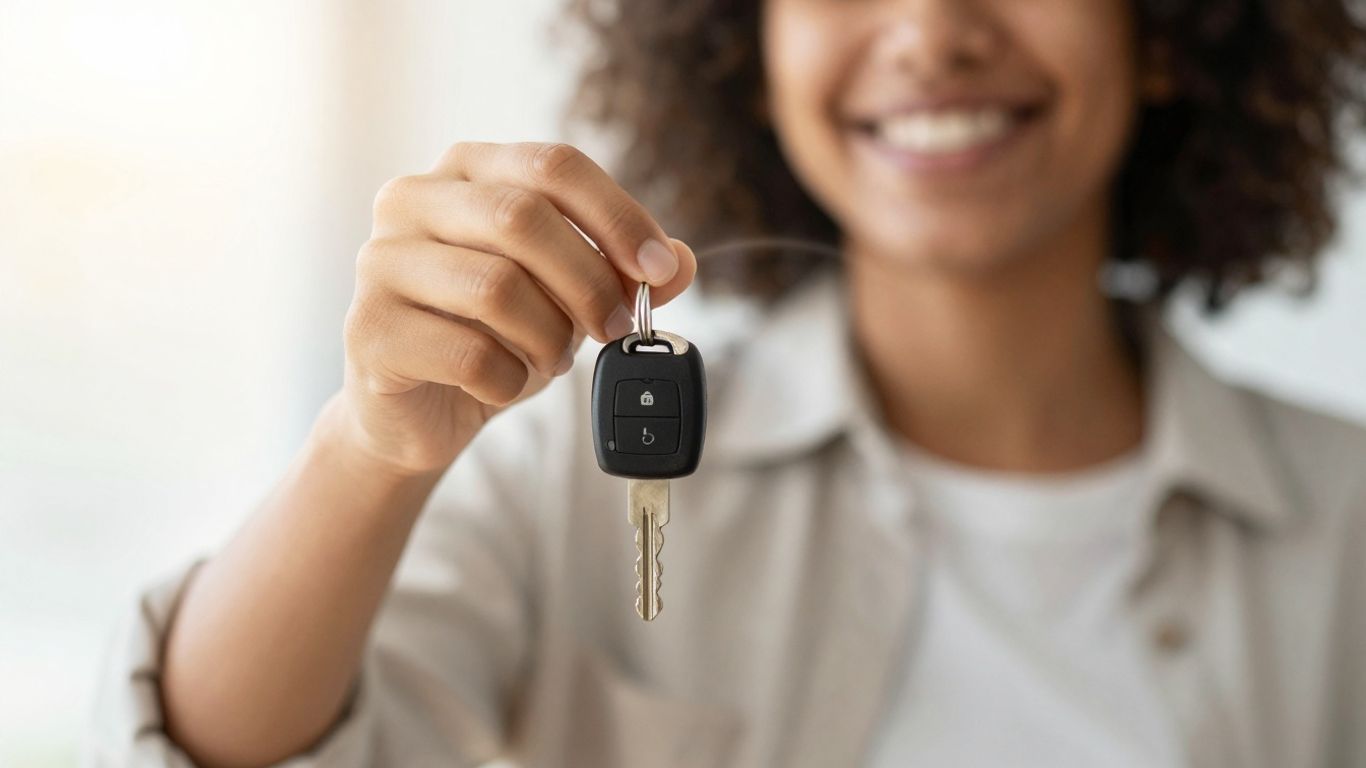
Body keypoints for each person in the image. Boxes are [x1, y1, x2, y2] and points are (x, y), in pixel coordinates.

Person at [91, 0, 1366, 766]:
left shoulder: (1346, 521)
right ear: (745, 42)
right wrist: (367, 451)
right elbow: (207, 754)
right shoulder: (559, 480)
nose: (928, 34)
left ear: (1165, 33)